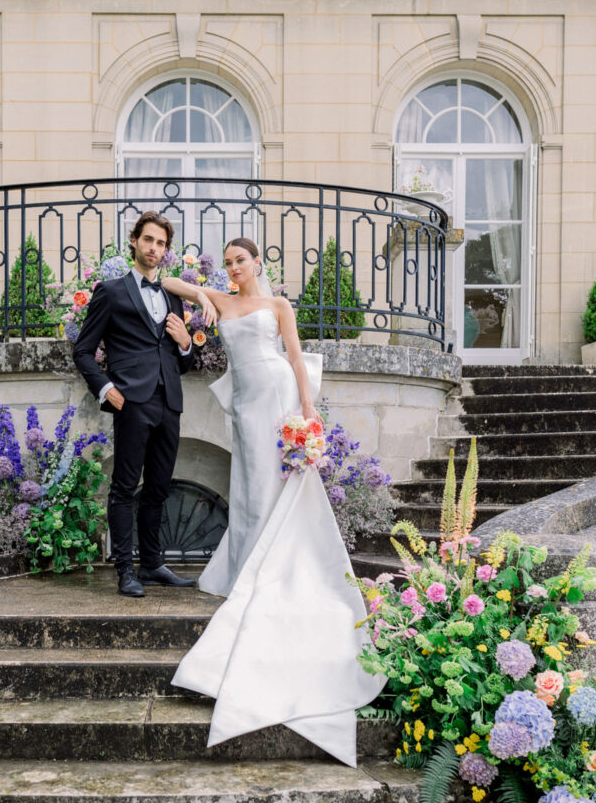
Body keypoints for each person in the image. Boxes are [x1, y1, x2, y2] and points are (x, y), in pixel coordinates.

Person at [162, 238, 386, 767]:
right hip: (245, 402)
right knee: (249, 486)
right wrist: (203, 291)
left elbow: (294, 358)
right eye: (231, 262)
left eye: (243, 260)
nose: (237, 268)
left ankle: (275, 568)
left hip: (280, 395)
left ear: (258, 263)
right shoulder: (221, 300)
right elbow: (170, 283)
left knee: (277, 484)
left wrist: (308, 415)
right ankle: (248, 563)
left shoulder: (277, 305)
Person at [72, 212, 199, 597]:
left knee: (158, 487)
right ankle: (125, 569)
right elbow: (82, 350)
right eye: (148, 240)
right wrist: (105, 386)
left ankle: (153, 564)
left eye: (161, 243)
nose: (154, 249)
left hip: (169, 401)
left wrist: (185, 342)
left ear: (166, 249)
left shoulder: (172, 296)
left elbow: (185, 363)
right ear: (134, 241)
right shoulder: (110, 291)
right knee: (125, 487)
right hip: (131, 401)